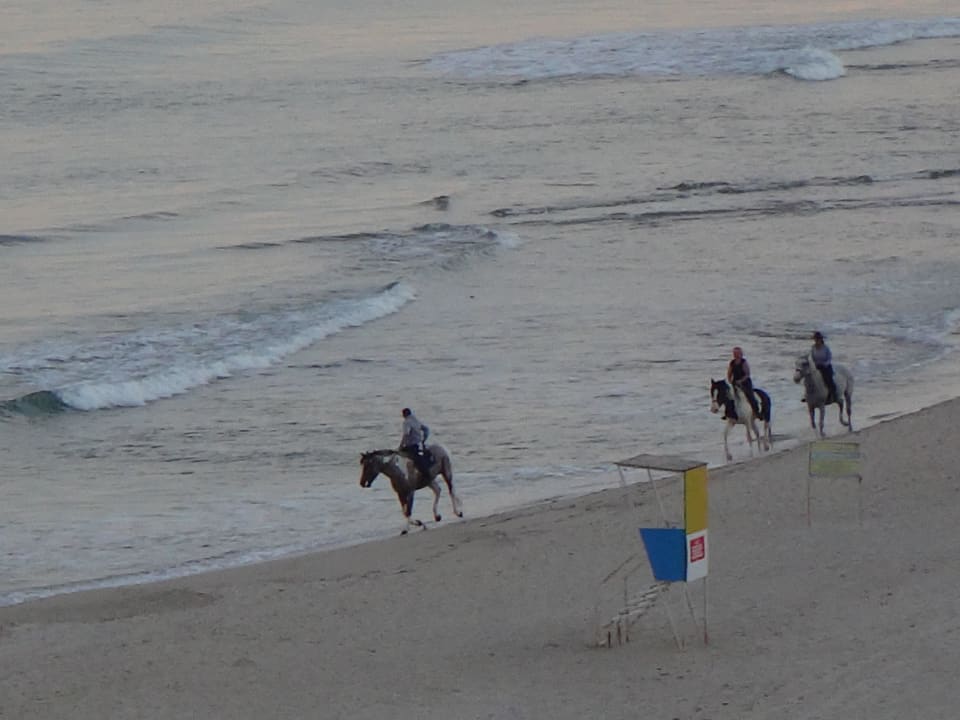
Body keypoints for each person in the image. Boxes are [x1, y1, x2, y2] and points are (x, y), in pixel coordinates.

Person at [726, 346, 761, 417]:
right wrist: (729, 380)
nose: (735, 355)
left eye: (737, 353)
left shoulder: (744, 362)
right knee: (729, 397)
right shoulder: (732, 363)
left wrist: (741, 381)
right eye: (734, 353)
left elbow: (747, 374)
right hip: (735, 383)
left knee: (750, 396)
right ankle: (729, 413)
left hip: (745, 383)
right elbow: (729, 373)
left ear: (741, 354)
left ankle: (756, 412)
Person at [399, 407, 432, 479]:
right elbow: (426, 429)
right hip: (419, 443)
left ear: (404, 415)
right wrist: (424, 440)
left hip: (412, 445)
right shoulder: (416, 420)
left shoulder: (406, 422)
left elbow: (406, 434)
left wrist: (401, 446)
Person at [810, 331, 837, 403]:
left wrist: (825, 364)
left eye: (818, 339)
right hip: (816, 366)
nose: (816, 341)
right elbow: (811, 357)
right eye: (815, 339)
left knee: (828, 379)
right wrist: (813, 364)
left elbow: (829, 357)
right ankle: (807, 395)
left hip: (825, 367)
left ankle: (833, 395)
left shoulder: (826, 348)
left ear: (821, 340)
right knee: (808, 378)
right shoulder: (813, 348)